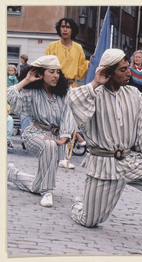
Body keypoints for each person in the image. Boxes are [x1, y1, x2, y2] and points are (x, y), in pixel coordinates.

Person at [68, 48, 142, 245]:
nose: (129, 73)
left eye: (128, 68)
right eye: (123, 69)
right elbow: (73, 101)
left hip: (130, 161)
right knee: (90, 221)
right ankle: (80, 204)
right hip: (103, 166)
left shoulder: (133, 93)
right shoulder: (94, 94)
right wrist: (95, 82)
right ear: (108, 72)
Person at [7, 55, 76, 207]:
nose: (56, 76)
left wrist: (63, 138)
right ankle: (47, 192)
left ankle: (11, 174)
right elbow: (8, 96)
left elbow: (68, 114)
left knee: (36, 184)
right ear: (41, 73)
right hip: (34, 134)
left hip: (56, 137)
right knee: (49, 145)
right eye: (51, 72)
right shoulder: (31, 92)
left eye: (58, 72)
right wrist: (26, 80)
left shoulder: (64, 92)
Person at [45, 17, 88, 168]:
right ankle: (54, 152)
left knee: (68, 121)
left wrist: (91, 62)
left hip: (71, 86)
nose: (65, 29)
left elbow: (81, 72)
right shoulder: (52, 46)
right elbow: (46, 65)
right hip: (55, 85)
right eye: (62, 26)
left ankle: (64, 156)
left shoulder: (78, 48)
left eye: (68, 27)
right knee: (55, 120)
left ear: (72, 30)